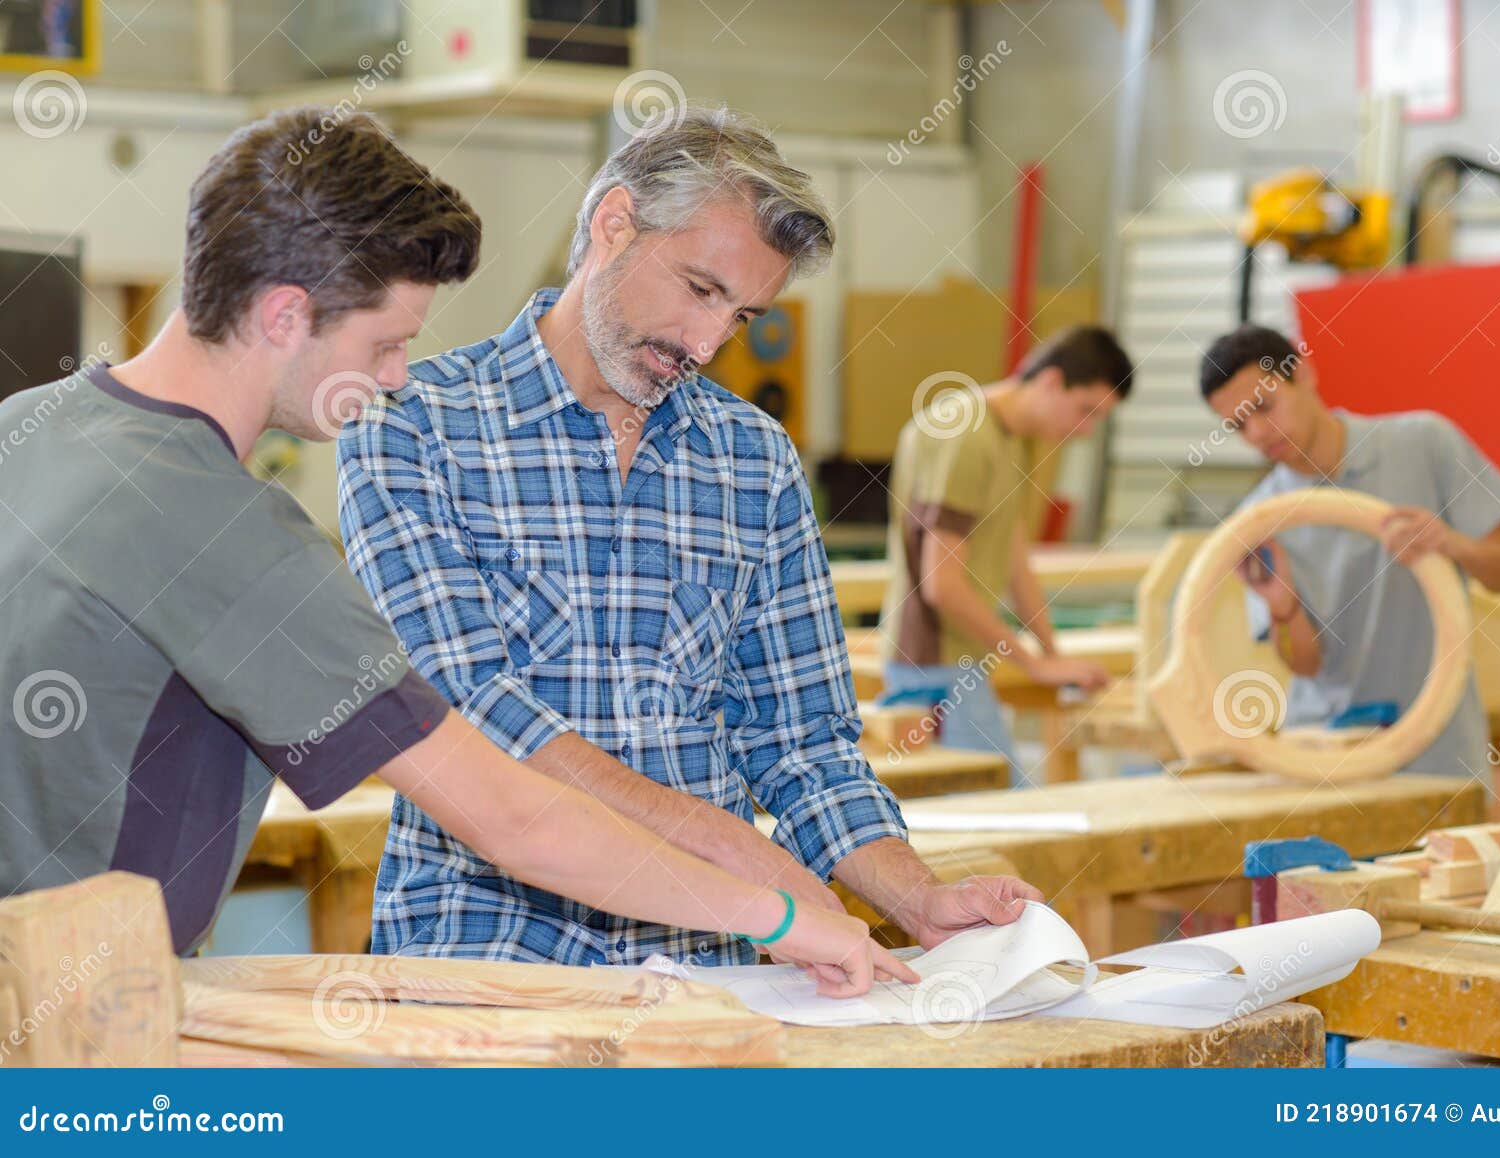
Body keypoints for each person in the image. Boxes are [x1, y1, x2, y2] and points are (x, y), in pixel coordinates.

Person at [0, 107, 915, 997]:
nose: (396, 375)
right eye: (387, 342)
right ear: (285, 315)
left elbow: (797, 737)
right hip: (71, 1022)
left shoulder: (27, 432)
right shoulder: (233, 532)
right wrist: (778, 913)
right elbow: (512, 814)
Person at [336, 105, 1045, 969]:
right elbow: (474, 721)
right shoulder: (416, 427)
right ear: (614, 225)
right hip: (489, 959)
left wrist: (917, 895)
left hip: (707, 966)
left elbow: (802, 741)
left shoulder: (754, 460)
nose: (708, 343)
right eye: (702, 290)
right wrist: (744, 863)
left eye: (743, 317)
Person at [1198, 323, 1500, 777]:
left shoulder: (1425, 444)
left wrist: (1451, 545)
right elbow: (1307, 665)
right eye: (1238, 425)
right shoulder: (1260, 520)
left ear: (1305, 374)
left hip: (1437, 749)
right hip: (1327, 750)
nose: (1257, 433)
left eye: (1263, 407)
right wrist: (1283, 608)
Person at [879, 327, 1134, 782]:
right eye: (1085, 411)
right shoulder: (965, 435)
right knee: (994, 804)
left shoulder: (1013, 437)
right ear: (1051, 382)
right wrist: (1034, 663)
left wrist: (1054, 654)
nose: (1086, 430)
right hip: (932, 663)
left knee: (1004, 798)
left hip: (963, 658)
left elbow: (1012, 552)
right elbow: (942, 584)